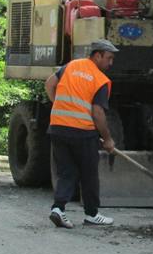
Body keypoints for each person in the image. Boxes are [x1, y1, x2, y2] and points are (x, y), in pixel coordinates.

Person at [44, 39, 119, 229]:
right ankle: (92, 214)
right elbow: (98, 113)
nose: (111, 63)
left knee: (66, 172)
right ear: (97, 55)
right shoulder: (100, 80)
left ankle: (58, 209)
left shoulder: (71, 66)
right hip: (82, 132)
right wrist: (108, 139)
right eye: (109, 58)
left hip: (58, 128)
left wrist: (59, 105)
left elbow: (49, 84)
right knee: (89, 174)